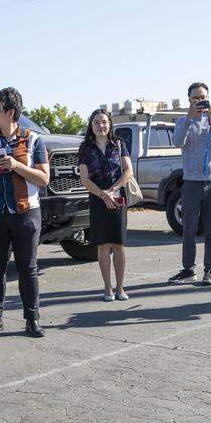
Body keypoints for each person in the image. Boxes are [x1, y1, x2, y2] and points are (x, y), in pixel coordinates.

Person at [0, 87, 50, 338]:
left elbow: (44, 179)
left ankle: (32, 319)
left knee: (28, 267)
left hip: (26, 212)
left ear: (10, 112)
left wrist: (16, 165)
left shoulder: (33, 140)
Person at [168, 82, 211, 286]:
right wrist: (189, 119)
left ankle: (210, 270)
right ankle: (188, 270)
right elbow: (177, 142)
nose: (199, 101)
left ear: (208, 98)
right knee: (188, 228)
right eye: (195, 98)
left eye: (202, 97)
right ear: (189, 100)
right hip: (191, 182)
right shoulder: (182, 121)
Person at [77, 109, 134, 300]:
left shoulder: (119, 144)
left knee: (118, 244)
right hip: (97, 196)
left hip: (117, 194)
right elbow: (85, 179)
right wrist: (103, 194)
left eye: (104, 122)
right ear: (91, 126)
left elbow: (128, 171)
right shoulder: (85, 148)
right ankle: (108, 288)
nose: (100, 126)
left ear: (110, 124)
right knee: (102, 245)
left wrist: (112, 190)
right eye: (96, 122)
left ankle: (120, 288)